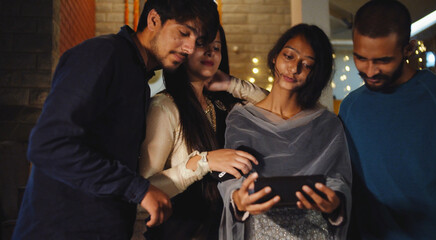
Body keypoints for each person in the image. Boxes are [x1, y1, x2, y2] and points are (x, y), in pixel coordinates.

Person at [12, 0, 220, 239]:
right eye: (184, 33)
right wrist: (139, 189)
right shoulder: (103, 54)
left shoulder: (138, 77)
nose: (190, 48)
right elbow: (50, 144)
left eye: (198, 41)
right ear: (154, 19)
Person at [218, 23, 352, 240]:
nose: (294, 68)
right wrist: (238, 200)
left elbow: (339, 182)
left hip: (313, 232)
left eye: (307, 65)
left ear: (316, 74)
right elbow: (231, 179)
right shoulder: (241, 118)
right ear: (274, 57)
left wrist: (335, 204)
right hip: (260, 231)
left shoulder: (327, 124)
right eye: (289, 56)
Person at [338, 1, 436, 239]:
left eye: (382, 60)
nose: (370, 71)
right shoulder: (350, 106)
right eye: (360, 58)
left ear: (408, 49)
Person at [139, 26, 267, 239]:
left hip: (223, 230)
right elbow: (144, 189)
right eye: (202, 44)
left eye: (216, 47)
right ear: (184, 48)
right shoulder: (165, 106)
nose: (211, 52)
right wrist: (204, 162)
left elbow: (281, 110)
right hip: (178, 231)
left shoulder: (222, 104)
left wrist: (232, 84)